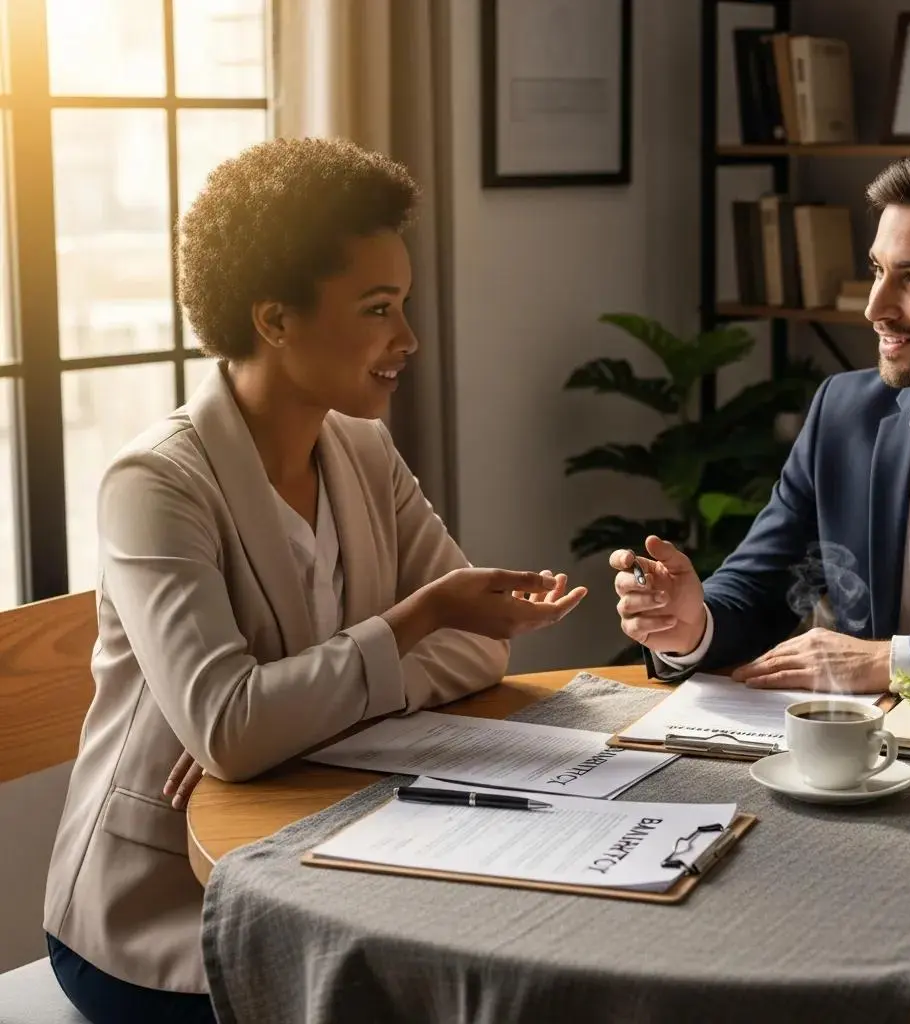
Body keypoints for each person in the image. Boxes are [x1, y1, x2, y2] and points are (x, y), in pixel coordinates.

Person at [43, 137, 586, 1024]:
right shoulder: (156, 485)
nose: (407, 339)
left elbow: (479, 652)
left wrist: (287, 718)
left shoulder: (362, 449)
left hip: (324, 858)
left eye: (404, 305)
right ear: (273, 319)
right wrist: (412, 621)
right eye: (378, 309)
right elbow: (230, 727)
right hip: (164, 916)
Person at [611, 140, 910, 694]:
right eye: (878, 270)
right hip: (859, 764)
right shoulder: (846, 415)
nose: (875, 307)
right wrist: (692, 625)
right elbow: (765, 586)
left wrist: (893, 662)